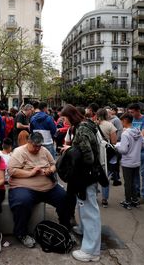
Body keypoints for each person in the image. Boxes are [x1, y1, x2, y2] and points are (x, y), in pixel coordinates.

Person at [8, 132, 70, 248]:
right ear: (29, 142)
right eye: (34, 146)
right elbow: (11, 171)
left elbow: (54, 164)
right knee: (22, 202)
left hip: (47, 186)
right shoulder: (19, 152)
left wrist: (50, 170)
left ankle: (64, 225)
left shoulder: (44, 151)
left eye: (39, 146)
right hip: (24, 187)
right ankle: (21, 233)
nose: (37, 148)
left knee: (64, 197)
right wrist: (30, 173)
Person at [60, 104, 102, 262]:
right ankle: (85, 231)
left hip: (86, 176)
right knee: (86, 208)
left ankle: (91, 251)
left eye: (64, 118)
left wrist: (70, 150)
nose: (62, 121)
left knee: (89, 211)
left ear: (70, 116)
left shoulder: (81, 129)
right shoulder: (86, 125)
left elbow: (88, 157)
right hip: (90, 175)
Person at [115, 113, 144, 210]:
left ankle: (128, 201)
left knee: (128, 183)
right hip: (136, 161)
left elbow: (124, 150)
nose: (121, 123)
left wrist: (117, 147)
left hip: (127, 162)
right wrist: (136, 148)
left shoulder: (125, 134)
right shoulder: (138, 131)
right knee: (134, 181)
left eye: (121, 121)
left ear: (125, 120)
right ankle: (135, 200)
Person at [128, 103, 144, 204]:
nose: (131, 114)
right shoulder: (131, 119)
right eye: (129, 112)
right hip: (134, 151)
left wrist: (130, 136)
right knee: (135, 174)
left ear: (138, 110)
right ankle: (136, 192)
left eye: (132, 112)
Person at [96, 108, 117, 208]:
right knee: (105, 174)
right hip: (105, 153)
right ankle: (104, 199)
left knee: (94, 174)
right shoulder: (110, 125)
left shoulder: (93, 124)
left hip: (95, 152)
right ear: (106, 115)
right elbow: (114, 141)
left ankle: (94, 196)